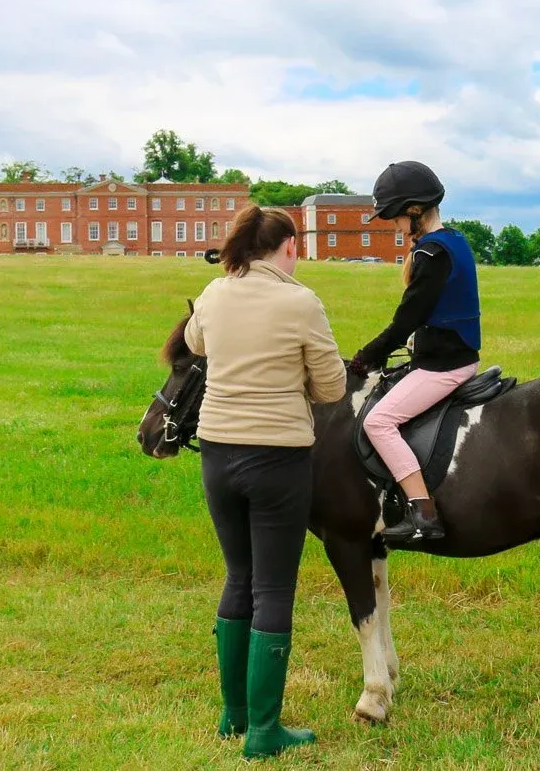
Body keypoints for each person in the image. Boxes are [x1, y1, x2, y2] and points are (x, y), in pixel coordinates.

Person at [184, 204, 346, 760]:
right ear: (289, 247)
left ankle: (233, 715)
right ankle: (264, 730)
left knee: (238, 577)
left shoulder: (214, 291)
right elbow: (331, 387)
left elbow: (196, 342)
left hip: (217, 452)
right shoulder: (300, 302)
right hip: (278, 457)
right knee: (273, 588)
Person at [349, 161, 482, 543]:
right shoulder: (454, 240)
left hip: (444, 366)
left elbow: (407, 318)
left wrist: (366, 356)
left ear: (414, 210)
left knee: (378, 421)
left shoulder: (432, 254)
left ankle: (424, 513)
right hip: (445, 357)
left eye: (395, 219)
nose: (395, 227)